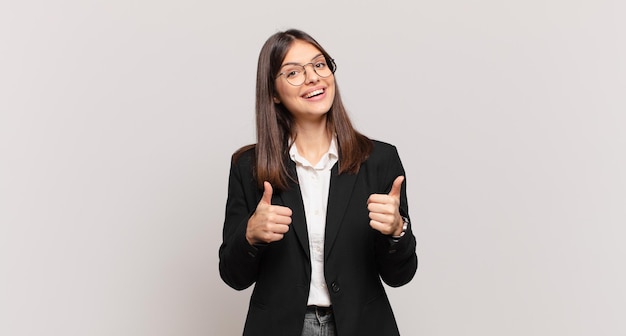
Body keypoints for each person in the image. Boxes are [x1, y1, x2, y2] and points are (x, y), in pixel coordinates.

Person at [218, 28, 418, 336]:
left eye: (319, 65)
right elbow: (234, 277)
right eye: (293, 72)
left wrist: (397, 231)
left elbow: (400, 275)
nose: (313, 77)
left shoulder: (380, 160)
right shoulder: (249, 167)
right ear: (272, 92)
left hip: (361, 325)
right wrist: (250, 235)